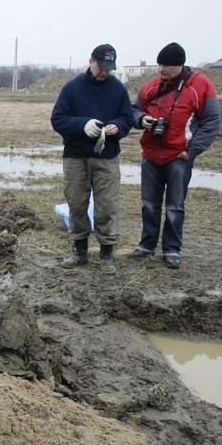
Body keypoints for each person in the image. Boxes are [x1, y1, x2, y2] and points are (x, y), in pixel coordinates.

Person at [131, 42, 222, 269]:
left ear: (180, 65)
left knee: (175, 206)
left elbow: (212, 122)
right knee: (149, 204)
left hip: (179, 157)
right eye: (160, 64)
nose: (162, 69)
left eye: (167, 65)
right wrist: (141, 120)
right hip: (151, 154)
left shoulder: (200, 86)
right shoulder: (152, 86)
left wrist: (192, 151)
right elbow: (132, 109)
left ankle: (171, 250)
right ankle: (146, 245)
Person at [50, 43, 134, 273]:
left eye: (109, 67)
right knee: (77, 203)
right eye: (101, 66)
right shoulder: (72, 88)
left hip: (106, 157)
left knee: (107, 204)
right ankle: (79, 251)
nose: (105, 71)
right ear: (91, 62)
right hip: (76, 157)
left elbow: (128, 117)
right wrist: (82, 125)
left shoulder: (118, 89)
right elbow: (57, 119)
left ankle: (106, 254)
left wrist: (118, 126)